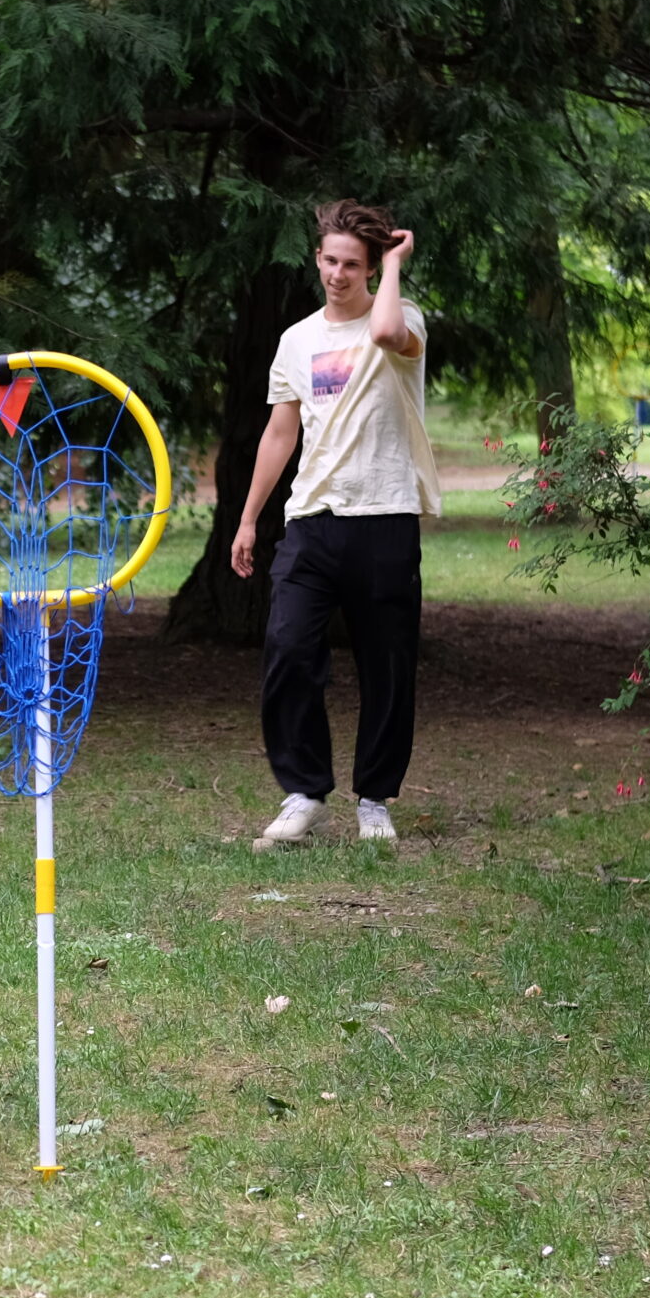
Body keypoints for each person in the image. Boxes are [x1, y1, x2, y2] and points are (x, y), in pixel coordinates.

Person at [230, 199, 443, 851]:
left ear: (372, 265)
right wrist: (247, 519)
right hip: (312, 520)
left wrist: (396, 263)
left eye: (353, 263)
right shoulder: (296, 340)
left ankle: (374, 798)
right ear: (316, 257)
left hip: (385, 515)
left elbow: (383, 334)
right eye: (329, 260)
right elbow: (279, 430)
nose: (337, 274)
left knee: (388, 664)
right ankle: (303, 791)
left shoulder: (402, 319)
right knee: (289, 647)